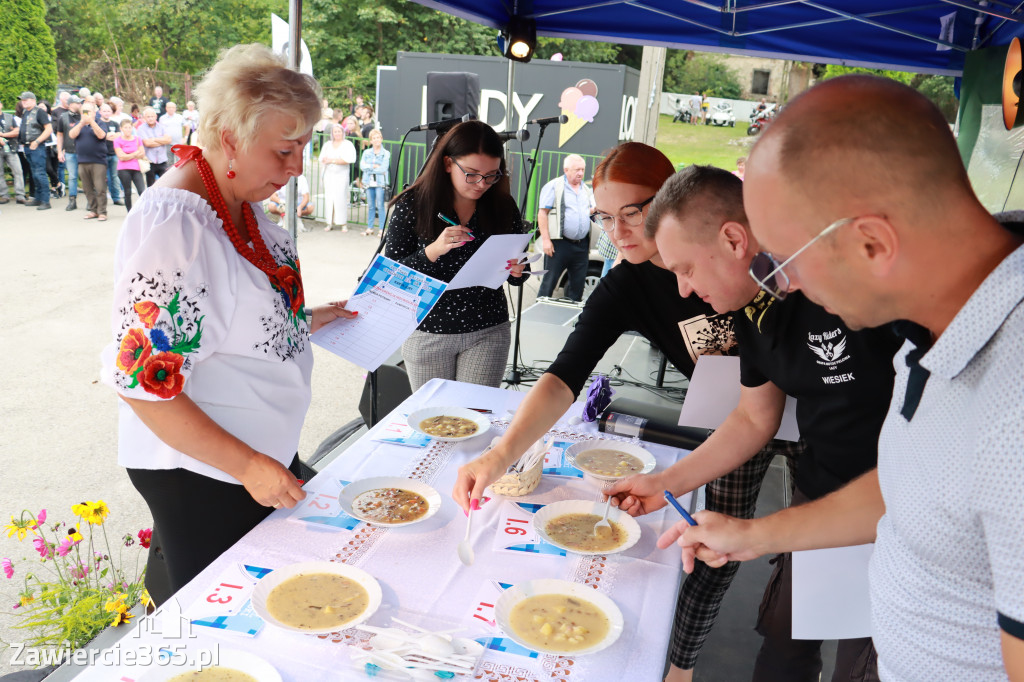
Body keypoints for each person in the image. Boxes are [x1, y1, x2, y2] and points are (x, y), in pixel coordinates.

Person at [662, 75, 1024, 682]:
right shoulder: (927, 335)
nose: (787, 286)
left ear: (871, 243)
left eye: (784, 260)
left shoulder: (1011, 401)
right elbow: (905, 488)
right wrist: (755, 536)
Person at [610, 164, 901, 681]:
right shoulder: (750, 304)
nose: (680, 290)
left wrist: (755, 533)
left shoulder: (858, 292)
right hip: (821, 496)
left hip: (902, 515)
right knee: (783, 652)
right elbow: (753, 415)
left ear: (733, 237)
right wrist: (665, 483)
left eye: (686, 269)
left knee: (864, 668)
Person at [99, 43, 356, 606]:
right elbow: (144, 385)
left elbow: (225, 321)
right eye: (284, 151)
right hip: (205, 471)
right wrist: (250, 466)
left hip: (251, 457)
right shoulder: (178, 230)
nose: (295, 168)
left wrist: (306, 319)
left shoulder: (235, 196)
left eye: (303, 150)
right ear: (231, 136)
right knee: (226, 613)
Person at [384, 120, 528, 391]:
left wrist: (519, 271)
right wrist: (432, 251)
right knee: (435, 423)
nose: (481, 184)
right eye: (472, 173)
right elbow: (391, 276)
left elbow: (517, 273)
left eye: (491, 175)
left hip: (487, 329)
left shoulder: (503, 206)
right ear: (448, 163)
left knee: (475, 418)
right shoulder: (412, 204)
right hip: (427, 330)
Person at [536, 154, 594, 301]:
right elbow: (542, 213)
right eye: (577, 170)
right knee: (549, 283)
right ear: (566, 170)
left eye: (582, 169)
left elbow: (587, 212)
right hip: (559, 244)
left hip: (581, 245)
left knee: (577, 287)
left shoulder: (586, 190)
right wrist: (546, 240)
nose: (580, 173)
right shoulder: (554, 186)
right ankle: (540, 314)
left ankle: (572, 320)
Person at [70, 101, 109, 221]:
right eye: (83, 111)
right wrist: (82, 123)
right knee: (87, 188)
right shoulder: (78, 124)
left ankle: (102, 211)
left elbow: (101, 135)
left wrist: (91, 122)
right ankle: (93, 210)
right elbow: (71, 135)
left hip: (98, 161)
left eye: (88, 111)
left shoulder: (100, 123)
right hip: (82, 161)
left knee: (100, 187)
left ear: (94, 113)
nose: (85, 114)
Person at [318, 123, 356, 232]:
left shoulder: (347, 144)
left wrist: (332, 160)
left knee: (341, 198)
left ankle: (343, 222)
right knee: (329, 198)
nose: (337, 133)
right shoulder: (327, 145)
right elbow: (322, 158)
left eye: (339, 131)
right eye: (335, 131)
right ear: (332, 133)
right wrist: (328, 160)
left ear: (343, 132)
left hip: (341, 175)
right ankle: (329, 222)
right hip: (329, 175)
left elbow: (348, 159)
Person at [18, 92, 52, 210]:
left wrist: (37, 141)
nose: (23, 102)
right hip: (28, 147)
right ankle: (38, 198)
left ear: (33, 100)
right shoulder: (25, 112)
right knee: (34, 173)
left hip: (37, 147)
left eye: (26, 100)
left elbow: (49, 129)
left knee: (40, 173)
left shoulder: (40, 112)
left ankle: (45, 200)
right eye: (22, 100)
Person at [360, 129, 390, 237]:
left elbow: (383, 168)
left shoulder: (386, 153)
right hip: (369, 182)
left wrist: (369, 168)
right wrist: (372, 166)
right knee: (371, 206)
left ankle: (382, 229)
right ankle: (370, 227)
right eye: (374, 138)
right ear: (371, 141)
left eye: (378, 137)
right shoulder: (366, 152)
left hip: (380, 183)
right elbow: (362, 166)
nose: (376, 140)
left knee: (380, 205)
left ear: (381, 139)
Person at [113, 118, 146, 212]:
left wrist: (128, 155)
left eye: (129, 127)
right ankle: (129, 212)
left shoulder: (137, 139)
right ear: (121, 129)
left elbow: (142, 153)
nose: (128, 129)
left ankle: (143, 210)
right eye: (125, 127)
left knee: (142, 190)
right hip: (123, 169)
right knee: (127, 192)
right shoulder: (117, 140)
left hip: (136, 168)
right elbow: (121, 157)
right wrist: (135, 154)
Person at [0, 99, 26, 204]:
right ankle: (4, 195)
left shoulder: (9, 117)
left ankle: (20, 195)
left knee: (18, 171)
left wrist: (2, 135)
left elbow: (17, 131)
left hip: (11, 148)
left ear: (1, 105)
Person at [137, 107, 171, 186]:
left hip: (162, 160)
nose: (150, 118)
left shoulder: (162, 127)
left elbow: (168, 140)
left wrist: (154, 139)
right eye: (148, 117)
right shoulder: (141, 128)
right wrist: (162, 141)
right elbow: (147, 143)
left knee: (165, 184)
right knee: (151, 186)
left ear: (156, 117)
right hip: (150, 161)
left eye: (152, 116)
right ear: (144, 118)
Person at [99, 104, 125, 206]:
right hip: (101, 154)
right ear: (100, 112)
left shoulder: (114, 123)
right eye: (104, 111)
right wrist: (107, 136)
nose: (106, 113)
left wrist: (108, 136)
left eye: (108, 111)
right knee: (100, 177)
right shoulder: (98, 123)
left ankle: (116, 198)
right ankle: (101, 199)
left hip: (114, 153)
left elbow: (118, 136)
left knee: (114, 176)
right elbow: (102, 136)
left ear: (111, 112)